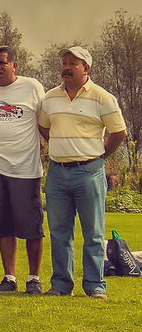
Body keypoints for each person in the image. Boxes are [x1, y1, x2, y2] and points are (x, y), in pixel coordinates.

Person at [38, 46, 127, 299]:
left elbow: (119, 132)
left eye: (73, 64)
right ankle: (60, 285)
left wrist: (98, 155)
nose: (66, 68)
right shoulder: (50, 97)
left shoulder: (102, 97)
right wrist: (61, 146)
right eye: (64, 63)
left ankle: (95, 285)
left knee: (93, 233)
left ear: (86, 68)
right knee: (59, 232)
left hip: (89, 172)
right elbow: (44, 127)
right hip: (57, 173)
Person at [0, 46, 46, 294]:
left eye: (3, 63)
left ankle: (34, 279)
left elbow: (45, 122)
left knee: (32, 227)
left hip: (25, 170)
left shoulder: (32, 87)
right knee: (4, 225)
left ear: (14, 65)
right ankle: (9, 278)